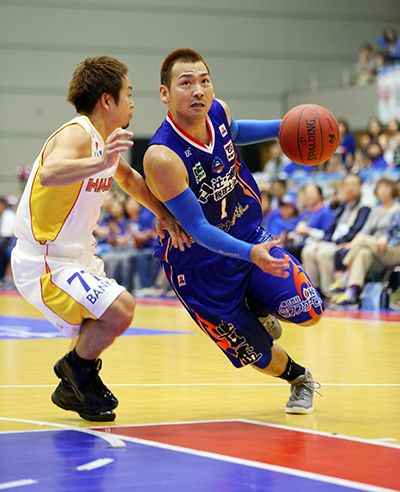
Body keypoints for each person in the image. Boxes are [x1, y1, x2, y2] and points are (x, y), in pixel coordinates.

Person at [143, 48, 324, 415]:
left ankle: (256, 304)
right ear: (165, 93)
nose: (198, 90)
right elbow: (197, 228)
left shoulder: (218, 112)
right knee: (258, 354)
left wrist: (286, 126)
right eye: (186, 83)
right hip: (200, 268)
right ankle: (300, 378)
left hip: (247, 236)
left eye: (204, 81)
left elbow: (235, 131)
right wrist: (250, 254)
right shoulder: (162, 158)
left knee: (310, 310)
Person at [11, 56, 188, 422]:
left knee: (95, 324)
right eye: (128, 93)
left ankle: (74, 385)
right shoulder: (76, 134)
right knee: (120, 309)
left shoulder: (104, 142)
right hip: (45, 259)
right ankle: (75, 372)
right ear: (107, 100)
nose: (133, 103)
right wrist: (99, 161)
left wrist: (164, 215)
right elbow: (50, 173)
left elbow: (130, 180)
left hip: (78, 256)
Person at [328, 178, 400, 308]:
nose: (382, 191)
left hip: (394, 248)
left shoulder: (397, 209)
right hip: (376, 247)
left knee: (362, 241)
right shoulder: (376, 210)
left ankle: (344, 278)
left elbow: (391, 233)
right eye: (380, 188)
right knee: (363, 253)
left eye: (386, 188)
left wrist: (384, 238)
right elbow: (365, 231)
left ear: (393, 190)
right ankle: (351, 294)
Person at [301, 173, 370, 295]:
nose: (350, 188)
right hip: (334, 242)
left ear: (360, 186)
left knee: (323, 253)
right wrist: (324, 241)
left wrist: (333, 243)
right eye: (347, 185)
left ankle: (329, 291)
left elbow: (356, 230)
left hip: (348, 244)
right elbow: (331, 228)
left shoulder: (364, 207)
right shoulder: (343, 207)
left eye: (354, 184)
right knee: (308, 251)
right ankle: (315, 291)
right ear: (343, 187)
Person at [285, 184, 335, 262]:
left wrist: (308, 231)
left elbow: (327, 235)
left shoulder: (326, 212)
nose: (308, 196)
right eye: (306, 193)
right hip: (303, 245)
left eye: (311, 193)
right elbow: (297, 231)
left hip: (316, 246)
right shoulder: (307, 213)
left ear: (320, 195)